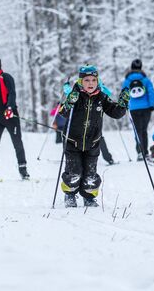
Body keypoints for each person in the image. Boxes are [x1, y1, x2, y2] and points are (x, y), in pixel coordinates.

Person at [59, 65, 129, 208]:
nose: (90, 83)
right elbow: (63, 113)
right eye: (86, 80)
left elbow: (116, 113)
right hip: (73, 141)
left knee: (90, 175)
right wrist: (69, 102)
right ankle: (70, 195)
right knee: (74, 172)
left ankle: (89, 197)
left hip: (93, 141)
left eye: (93, 80)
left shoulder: (101, 97)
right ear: (80, 81)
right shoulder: (75, 95)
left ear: (97, 81)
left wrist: (123, 104)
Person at [0, 56, 30, 180]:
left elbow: (12, 93)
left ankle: (23, 170)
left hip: (10, 117)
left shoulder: (6, 77)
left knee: (17, 143)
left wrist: (9, 108)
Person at [122, 59, 154, 161]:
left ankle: (140, 152)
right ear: (141, 67)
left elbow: (124, 94)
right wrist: (151, 105)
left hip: (134, 108)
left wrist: (125, 105)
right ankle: (145, 152)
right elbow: (151, 92)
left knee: (137, 131)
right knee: (144, 130)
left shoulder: (127, 81)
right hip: (146, 108)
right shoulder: (145, 80)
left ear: (131, 68)